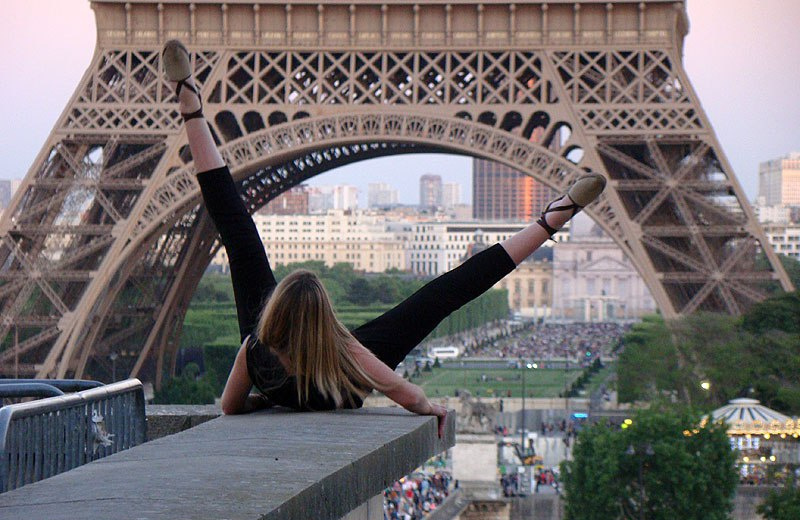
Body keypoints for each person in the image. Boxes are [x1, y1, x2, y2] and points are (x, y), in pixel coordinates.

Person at [161, 40, 606, 437]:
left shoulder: (255, 348)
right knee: (446, 292)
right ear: (325, 318)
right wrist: (430, 407)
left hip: (294, 365)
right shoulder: (343, 350)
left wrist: (265, 400)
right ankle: (553, 218)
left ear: (274, 312)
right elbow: (409, 395)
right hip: (343, 378)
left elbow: (229, 407)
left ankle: (190, 107)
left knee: (237, 230)